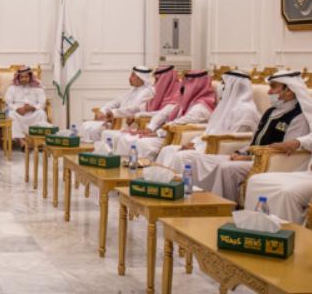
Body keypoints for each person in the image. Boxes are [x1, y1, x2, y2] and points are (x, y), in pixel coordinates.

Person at [195, 71, 311, 205]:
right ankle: (200, 201)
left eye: (273, 87)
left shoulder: (299, 116)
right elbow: (255, 141)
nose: (269, 92)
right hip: (252, 157)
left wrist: (249, 158)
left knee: (227, 169)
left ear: (289, 90)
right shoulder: (271, 111)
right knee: (202, 160)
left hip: (270, 162)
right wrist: (241, 152)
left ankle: (223, 208)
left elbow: (284, 150)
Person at [156, 71, 260, 174]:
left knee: (181, 156)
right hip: (205, 145)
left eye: (224, 84)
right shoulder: (224, 107)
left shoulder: (246, 110)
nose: (221, 88)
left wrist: (197, 147)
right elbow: (210, 131)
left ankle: (178, 183)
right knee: (168, 150)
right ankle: (159, 180)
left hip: (218, 149)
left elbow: (230, 138)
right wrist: (194, 143)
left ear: (234, 87)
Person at [113, 70, 215, 159]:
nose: (184, 86)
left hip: (177, 136)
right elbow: (162, 113)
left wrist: (157, 132)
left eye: (188, 84)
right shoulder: (184, 100)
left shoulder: (200, 108)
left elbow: (179, 123)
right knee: (130, 139)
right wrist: (150, 129)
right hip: (165, 133)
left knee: (142, 143)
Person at [101, 65, 180, 150]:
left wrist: (138, 117)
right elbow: (139, 108)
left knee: (128, 139)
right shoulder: (156, 94)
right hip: (152, 127)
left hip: (164, 132)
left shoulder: (174, 96)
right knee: (122, 138)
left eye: (157, 80)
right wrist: (113, 113)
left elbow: (162, 113)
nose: (155, 83)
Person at [79, 66, 154, 142]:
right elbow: (116, 102)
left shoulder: (147, 92)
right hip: (115, 119)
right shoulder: (134, 90)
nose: (129, 78)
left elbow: (134, 109)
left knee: (95, 128)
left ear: (140, 78)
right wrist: (103, 111)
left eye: (133, 76)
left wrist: (113, 114)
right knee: (86, 125)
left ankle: (96, 147)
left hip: (127, 124)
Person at [4, 66, 48, 149]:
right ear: (18, 78)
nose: (24, 79)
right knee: (11, 114)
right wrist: (17, 109)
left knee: (41, 113)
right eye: (21, 77)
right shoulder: (12, 88)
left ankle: (39, 142)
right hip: (18, 112)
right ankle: (21, 142)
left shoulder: (37, 87)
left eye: (26, 77)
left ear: (30, 77)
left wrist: (33, 108)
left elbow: (42, 102)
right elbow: (8, 102)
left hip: (33, 111)